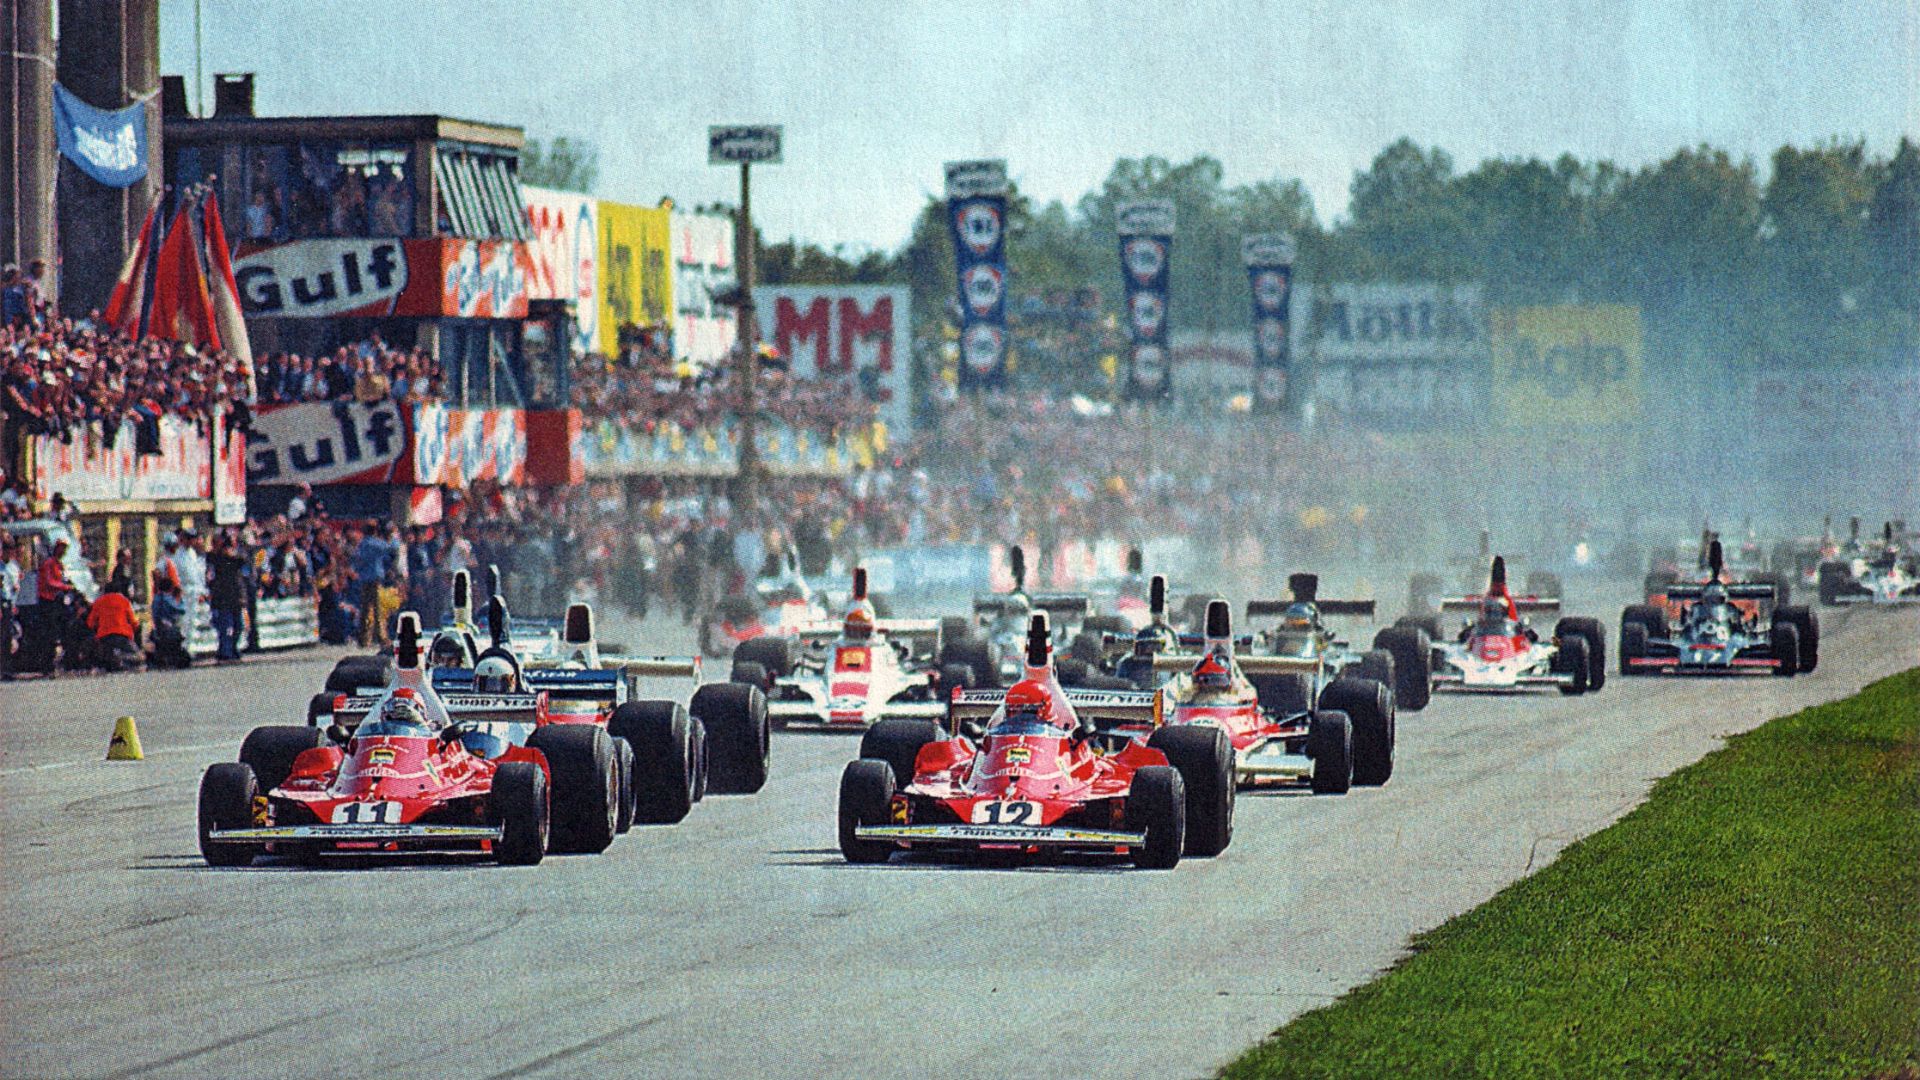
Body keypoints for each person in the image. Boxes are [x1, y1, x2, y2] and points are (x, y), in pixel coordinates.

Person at [206, 532, 247, 662]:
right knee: (226, 626)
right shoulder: (216, 557)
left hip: (236, 596)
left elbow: (243, 560)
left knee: (239, 626)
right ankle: (225, 651)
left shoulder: (236, 557)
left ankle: (234, 648)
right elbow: (209, 559)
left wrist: (232, 553)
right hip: (223, 597)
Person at [85, 580, 139, 672]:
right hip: (123, 635)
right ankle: (124, 661)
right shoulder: (124, 601)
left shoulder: (98, 602)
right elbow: (134, 622)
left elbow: (90, 623)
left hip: (105, 637)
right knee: (137, 658)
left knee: (106, 657)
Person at [148, 578, 189, 668]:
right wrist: (180, 598)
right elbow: (181, 609)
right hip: (170, 630)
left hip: (159, 629)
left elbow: (155, 614)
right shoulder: (167, 598)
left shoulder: (156, 598)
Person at [0, 535, 19, 680]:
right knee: (2, 637)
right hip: (1, 603)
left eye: (10, 550)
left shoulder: (13, 567)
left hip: (10, 603)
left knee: (8, 637)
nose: (8, 553)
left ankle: (7, 669)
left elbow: (15, 587)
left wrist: (14, 603)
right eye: (5, 550)